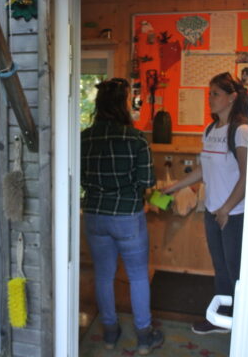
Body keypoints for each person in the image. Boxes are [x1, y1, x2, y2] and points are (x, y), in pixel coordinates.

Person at [81, 78, 164, 355]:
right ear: (123, 104)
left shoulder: (84, 138)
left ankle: (109, 334)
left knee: (103, 276)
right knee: (138, 276)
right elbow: (147, 180)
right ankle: (143, 338)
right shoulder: (136, 138)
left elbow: (79, 178)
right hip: (128, 215)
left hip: (94, 215)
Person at [162, 72, 248, 335]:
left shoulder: (242, 131)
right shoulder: (210, 130)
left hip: (233, 213)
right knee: (221, 268)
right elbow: (203, 169)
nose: (210, 99)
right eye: (210, 93)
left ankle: (240, 323)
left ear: (232, 97)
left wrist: (225, 209)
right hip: (213, 211)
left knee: (235, 271)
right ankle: (222, 320)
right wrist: (174, 186)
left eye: (215, 94)